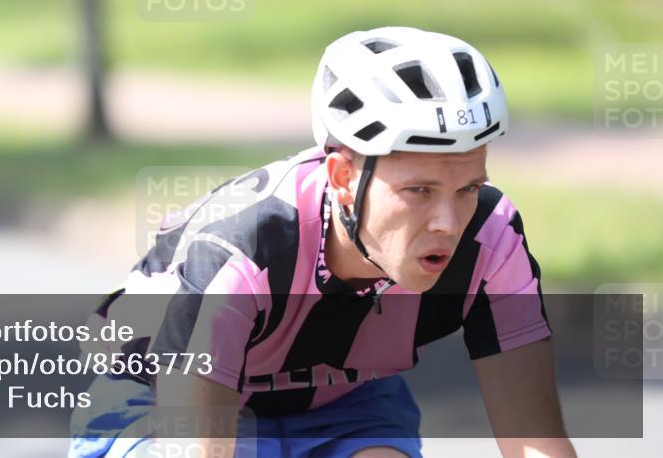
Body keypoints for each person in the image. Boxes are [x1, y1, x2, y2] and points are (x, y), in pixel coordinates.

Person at [69, 27, 576, 458]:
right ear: (341, 176)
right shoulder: (241, 251)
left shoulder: (491, 239)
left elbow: (538, 447)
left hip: (340, 402)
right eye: (417, 191)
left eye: (467, 188)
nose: (448, 221)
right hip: (157, 400)